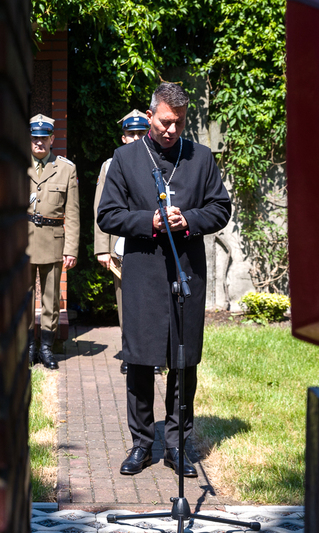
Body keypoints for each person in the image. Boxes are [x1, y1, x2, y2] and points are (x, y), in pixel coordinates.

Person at [97, 83, 231, 477]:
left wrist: (188, 219)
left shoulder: (200, 158)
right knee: (140, 360)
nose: (171, 130)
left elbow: (220, 208)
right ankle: (141, 444)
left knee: (183, 361)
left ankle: (177, 444)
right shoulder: (125, 158)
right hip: (143, 273)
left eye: (179, 123)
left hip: (187, 272)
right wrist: (150, 221)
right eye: (165, 122)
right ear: (150, 115)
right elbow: (108, 214)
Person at [93, 109, 150, 375]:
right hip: (120, 247)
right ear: (123, 137)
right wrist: (102, 248)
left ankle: (151, 354)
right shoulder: (110, 165)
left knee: (152, 300)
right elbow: (101, 209)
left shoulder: (158, 160)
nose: (136, 137)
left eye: (141, 133)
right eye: (131, 133)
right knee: (126, 301)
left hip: (152, 243)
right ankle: (131, 354)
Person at [27, 114, 80, 370]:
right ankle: (28, 346)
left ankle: (46, 348)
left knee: (51, 297)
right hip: (24, 242)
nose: (39, 142)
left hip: (53, 240)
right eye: (35, 138)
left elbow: (73, 213)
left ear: (52, 139)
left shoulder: (66, 169)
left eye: (43, 137)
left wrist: (71, 249)